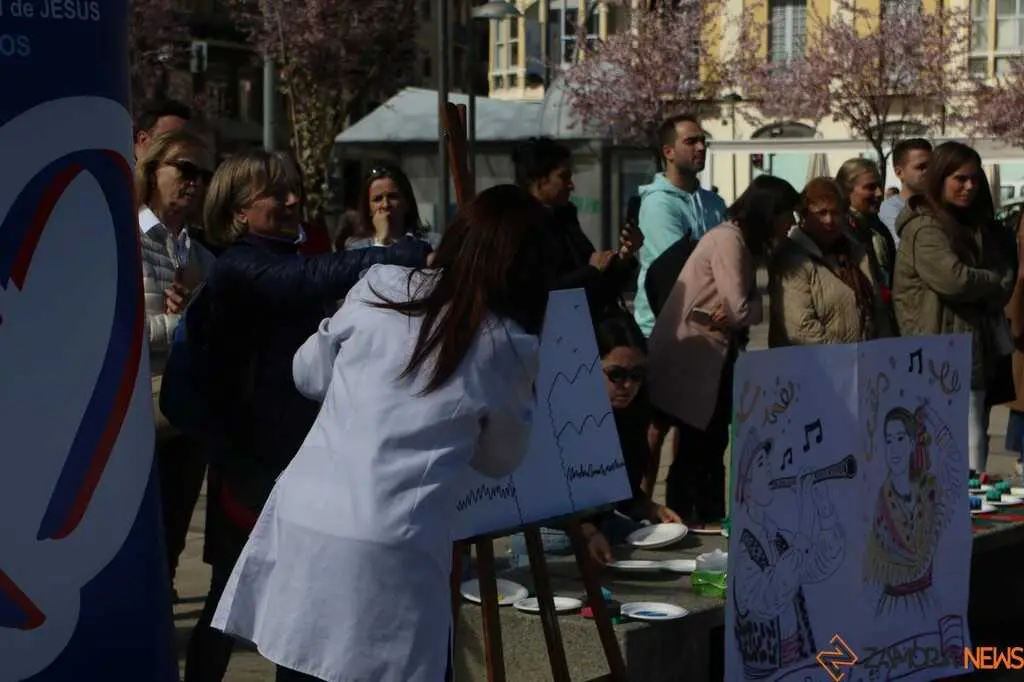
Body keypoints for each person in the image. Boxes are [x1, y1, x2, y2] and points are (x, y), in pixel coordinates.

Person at [210, 184, 551, 682]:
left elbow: (308, 373)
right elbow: (501, 458)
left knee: (303, 663)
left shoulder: (383, 283)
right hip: (391, 546)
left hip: (306, 521)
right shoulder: (507, 344)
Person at [184, 151, 430, 682]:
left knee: (300, 606)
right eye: (277, 194)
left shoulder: (281, 257)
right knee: (229, 606)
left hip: (295, 458)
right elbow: (306, 278)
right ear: (239, 210)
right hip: (251, 467)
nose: (294, 201)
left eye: (294, 189)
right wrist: (392, 255)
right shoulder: (239, 267)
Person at [647, 175, 799, 531]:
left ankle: (701, 515)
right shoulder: (730, 240)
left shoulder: (736, 240)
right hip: (695, 357)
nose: (791, 222)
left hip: (706, 357)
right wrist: (758, 304)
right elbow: (739, 310)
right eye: (787, 214)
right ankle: (693, 517)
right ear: (769, 213)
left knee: (707, 442)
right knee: (701, 444)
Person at [508, 312, 681, 567]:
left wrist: (651, 508)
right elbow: (542, 496)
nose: (628, 385)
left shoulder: (630, 413)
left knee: (667, 549)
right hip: (552, 527)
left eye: (637, 374)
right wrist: (587, 531)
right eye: (616, 374)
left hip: (601, 522)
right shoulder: (559, 412)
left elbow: (620, 491)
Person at [892, 141, 1016, 475]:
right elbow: (955, 280)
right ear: (939, 178)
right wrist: (991, 280)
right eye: (960, 179)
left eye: (974, 179)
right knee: (944, 454)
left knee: (973, 446)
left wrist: (990, 283)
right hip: (933, 354)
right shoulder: (924, 226)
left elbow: (1005, 281)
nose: (969, 186)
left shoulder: (979, 226)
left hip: (974, 351)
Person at [136, 128, 216, 598]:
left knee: (169, 549)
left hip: (185, 417)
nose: (195, 182)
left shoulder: (200, 254)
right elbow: (114, 332)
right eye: (185, 169)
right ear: (152, 171)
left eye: (203, 175)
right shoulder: (123, 239)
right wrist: (185, 322)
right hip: (133, 420)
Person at [512, 137, 641, 322]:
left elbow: (599, 285)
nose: (571, 185)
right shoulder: (517, 228)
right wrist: (592, 270)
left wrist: (624, 256)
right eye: (563, 177)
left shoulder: (565, 219)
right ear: (539, 180)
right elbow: (538, 293)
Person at [769, 177, 893, 347]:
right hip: (814, 360)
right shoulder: (791, 259)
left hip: (864, 357)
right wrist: (844, 355)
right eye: (821, 213)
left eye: (835, 213)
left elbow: (878, 311)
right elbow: (801, 329)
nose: (829, 220)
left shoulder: (856, 252)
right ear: (804, 216)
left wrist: (882, 348)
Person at [633, 114, 727, 337]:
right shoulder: (658, 204)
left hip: (710, 328)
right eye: (691, 141)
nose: (701, 147)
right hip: (664, 328)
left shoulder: (714, 203)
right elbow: (678, 271)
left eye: (703, 141)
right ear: (668, 152)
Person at [836, 158, 896, 290]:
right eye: (870, 187)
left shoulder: (879, 228)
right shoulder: (838, 232)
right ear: (846, 191)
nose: (879, 193)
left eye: (880, 185)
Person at [342, 165, 431, 251]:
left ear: (407, 202)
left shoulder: (430, 243)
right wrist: (380, 241)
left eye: (392, 197)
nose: (385, 205)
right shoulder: (356, 247)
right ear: (368, 208)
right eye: (377, 199)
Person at [878, 138, 933, 245]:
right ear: (899, 173)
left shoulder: (939, 204)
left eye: (931, 166)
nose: (928, 171)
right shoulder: (890, 209)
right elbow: (906, 245)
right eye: (921, 167)